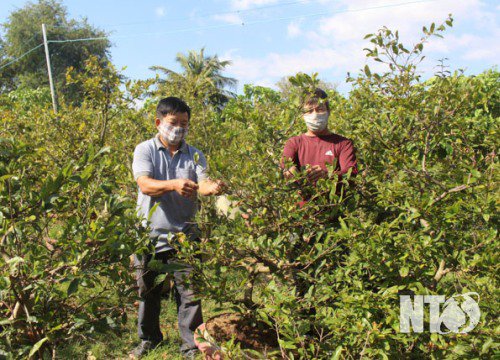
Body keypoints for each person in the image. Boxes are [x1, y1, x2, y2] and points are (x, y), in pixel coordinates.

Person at [130, 97, 225, 359]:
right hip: (149, 235)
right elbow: (145, 185)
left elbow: (203, 184)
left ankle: (191, 346)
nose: (179, 128)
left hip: (185, 235)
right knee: (147, 290)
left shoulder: (195, 154)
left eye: (184, 123)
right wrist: (173, 184)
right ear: (159, 122)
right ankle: (149, 340)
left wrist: (213, 187)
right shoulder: (145, 150)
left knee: (190, 294)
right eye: (174, 122)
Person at [282, 88, 358, 199]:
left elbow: (352, 173)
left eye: (320, 109)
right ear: (302, 115)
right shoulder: (294, 143)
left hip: (335, 211)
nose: (315, 114)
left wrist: (328, 175)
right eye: (309, 111)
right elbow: (285, 167)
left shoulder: (343, 143)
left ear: (328, 111)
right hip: (301, 212)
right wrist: (295, 175)